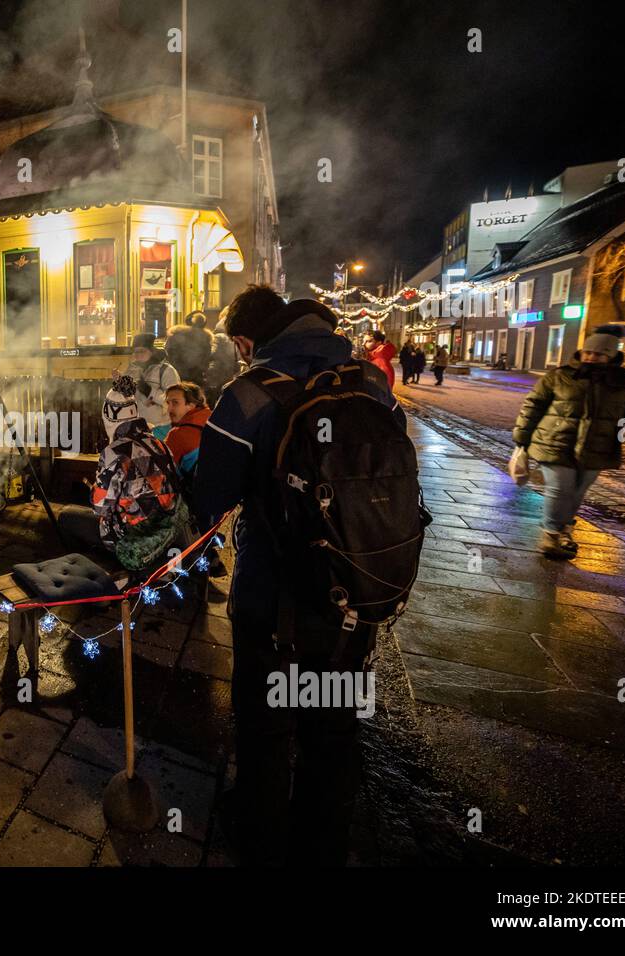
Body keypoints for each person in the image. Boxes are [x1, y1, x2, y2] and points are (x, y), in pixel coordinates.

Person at [193, 284, 405, 866]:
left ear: (246, 341)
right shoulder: (371, 384)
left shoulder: (248, 395)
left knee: (264, 729)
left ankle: (260, 837)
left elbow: (209, 497)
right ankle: (322, 844)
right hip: (355, 596)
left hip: (273, 603)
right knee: (333, 732)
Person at [512, 325, 625, 559]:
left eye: (598, 354)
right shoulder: (560, 376)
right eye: (588, 352)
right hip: (554, 442)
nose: (591, 357)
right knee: (559, 489)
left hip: (599, 447)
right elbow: (533, 406)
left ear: (611, 356)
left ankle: (565, 529)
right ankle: (550, 535)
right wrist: (522, 437)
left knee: (577, 493)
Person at [91, 374, 188, 570]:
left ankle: (106, 582)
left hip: (136, 535)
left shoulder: (115, 452)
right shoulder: (159, 444)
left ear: (108, 415)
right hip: (167, 525)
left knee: (70, 519)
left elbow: (99, 506)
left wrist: (97, 485)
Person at [123, 333, 180, 435]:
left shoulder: (166, 370)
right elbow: (126, 399)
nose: (138, 355)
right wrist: (121, 385)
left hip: (160, 427)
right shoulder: (131, 370)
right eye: (135, 352)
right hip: (136, 426)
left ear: (152, 351)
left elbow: (173, 401)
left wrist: (148, 390)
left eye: (142, 351)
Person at [164, 381, 210, 480]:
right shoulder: (215, 422)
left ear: (192, 405)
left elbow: (162, 472)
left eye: (175, 403)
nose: (169, 409)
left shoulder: (177, 435)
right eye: (168, 403)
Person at [202, 317, 243, 405]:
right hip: (228, 373)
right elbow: (237, 357)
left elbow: (212, 353)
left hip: (215, 372)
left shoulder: (218, 337)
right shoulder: (234, 339)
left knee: (211, 399)